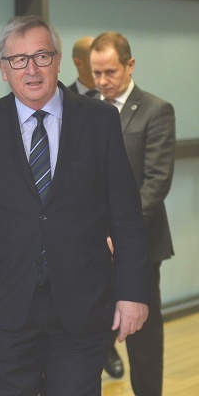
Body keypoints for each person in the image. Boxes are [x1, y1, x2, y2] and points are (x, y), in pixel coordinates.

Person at [0, 15, 150, 395]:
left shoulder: (99, 120)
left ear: (58, 60)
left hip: (81, 306)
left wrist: (132, 292)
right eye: (19, 60)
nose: (31, 69)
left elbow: (125, 214)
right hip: (4, 307)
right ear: (3, 70)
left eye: (41, 56)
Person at [90, 31, 175, 396]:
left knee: (143, 337)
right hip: (92, 244)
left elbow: (156, 181)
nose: (102, 81)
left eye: (110, 72)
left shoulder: (155, 110)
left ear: (130, 65)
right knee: (90, 334)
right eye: (96, 73)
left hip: (139, 244)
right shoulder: (85, 108)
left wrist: (121, 234)